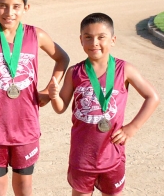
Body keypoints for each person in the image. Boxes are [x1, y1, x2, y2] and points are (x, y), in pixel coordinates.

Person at [0, 0, 70, 196]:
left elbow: (62, 58)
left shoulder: (36, 35)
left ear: (26, 7)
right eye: (2, 5)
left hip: (26, 128)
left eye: (16, 6)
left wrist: (48, 90)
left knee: (24, 189)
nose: (9, 12)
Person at [48, 12, 160, 196]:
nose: (94, 43)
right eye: (88, 37)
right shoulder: (74, 72)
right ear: (81, 40)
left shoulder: (124, 70)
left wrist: (132, 127)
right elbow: (60, 108)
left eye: (101, 37)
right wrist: (54, 96)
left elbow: (153, 97)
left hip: (112, 154)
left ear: (113, 40)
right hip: (82, 156)